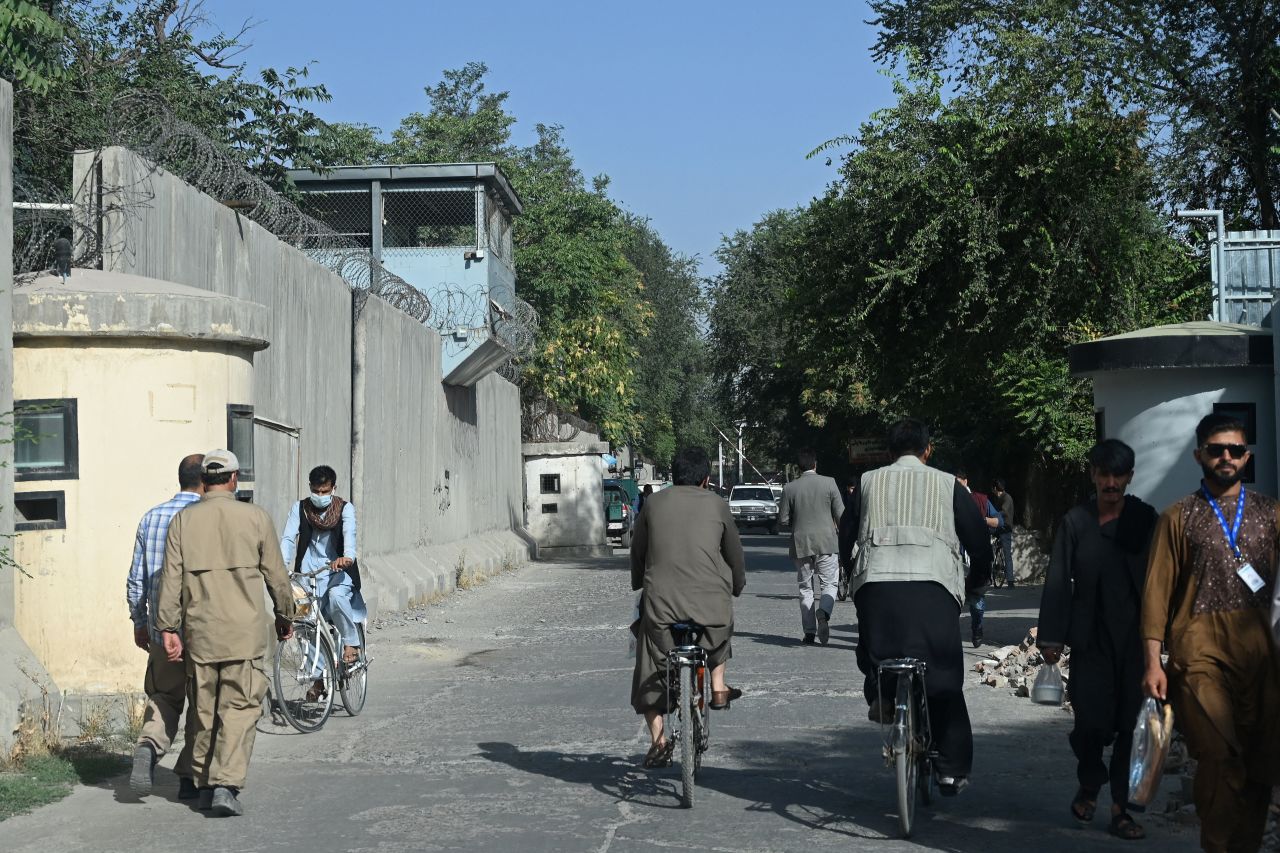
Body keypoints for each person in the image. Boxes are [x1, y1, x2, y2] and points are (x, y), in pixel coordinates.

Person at [1142, 413, 1280, 853]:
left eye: (1235, 450)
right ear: (1199, 453)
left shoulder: (1272, 514)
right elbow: (1156, 594)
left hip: (1262, 657)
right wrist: (1152, 662)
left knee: (1261, 766)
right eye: (1216, 449)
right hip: (1198, 655)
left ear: (1247, 457)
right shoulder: (1176, 517)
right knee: (1220, 756)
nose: (1226, 457)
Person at [842, 418, 991, 794]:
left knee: (875, 646)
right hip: (935, 585)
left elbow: (847, 535)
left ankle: (881, 694)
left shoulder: (867, 483)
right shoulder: (946, 484)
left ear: (889, 452)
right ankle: (950, 769)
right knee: (942, 673)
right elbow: (977, 539)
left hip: (875, 583)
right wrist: (976, 583)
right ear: (928, 450)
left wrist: (853, 577)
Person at [156, 449, 295, 817]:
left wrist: (168, 627)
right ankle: (224, 785)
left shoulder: (183, 522)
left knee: (203, 710)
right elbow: (277, 577)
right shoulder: (255, 517)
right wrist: (285, 615)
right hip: (244, 634)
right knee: (239, 708)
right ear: (233, 479)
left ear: (204, 481)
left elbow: (170, 581)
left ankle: (202, 784)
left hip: (200, 633)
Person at [1038, 439, 1157, 841]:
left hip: (1135, 640)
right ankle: (1090, 780)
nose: (1111, 482)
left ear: (1129, 477)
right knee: (1089, 722)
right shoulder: (1076, 522)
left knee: (1129, 724)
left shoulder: (1144, 518)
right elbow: (1057, 581)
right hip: (1089, 638)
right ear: (1092, 475)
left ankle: (1121, 810)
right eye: (1104, 474)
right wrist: (1051, 637)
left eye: (1118, 475)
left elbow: (1160, 580)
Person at [630, 447, 746, 769]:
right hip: (712, 606)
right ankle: (719, 686)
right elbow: (734, 554)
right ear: (706, 479)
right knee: (720, 631)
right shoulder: (718, 504)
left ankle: (658, 741)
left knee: (648, 655)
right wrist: (736, 585)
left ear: (674, 474)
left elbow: (638, 551)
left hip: (662, 605)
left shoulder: (652, 504)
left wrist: (639, 582)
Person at [126, 453, 205, 799]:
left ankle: (147, 748)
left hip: (161, 631)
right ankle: (188, 777)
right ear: (205, 482)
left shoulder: (151, 517)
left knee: (164, 698)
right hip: (204, 632)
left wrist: (140, 622)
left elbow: (135, 580)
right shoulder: (207, 519)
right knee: (203, 704)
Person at [281, 464, 365, 699]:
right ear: (310, 488)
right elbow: (288, 538)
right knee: (305, 626)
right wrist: (281, 565)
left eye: (324, 491)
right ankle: (318, 681)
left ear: (333, 488)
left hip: (337, 572)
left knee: (338, 598)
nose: (319, 496)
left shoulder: (344, 509)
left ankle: (351, 643)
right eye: (316, 491)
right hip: (307, 575)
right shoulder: (300, 509)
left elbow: (350, 534)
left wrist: (347, 557)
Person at [779, 449, 844, 645]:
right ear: (815, 464)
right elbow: (841, 515)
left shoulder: (790, 488)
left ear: (799, 467)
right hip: (827, 542)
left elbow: (783, 519)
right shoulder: (829, 483)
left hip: (801, 544)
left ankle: (809, 633)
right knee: (830, 584)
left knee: (805, 588)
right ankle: (823, 611)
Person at [956, 470, 1000, 648]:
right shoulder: (945, 501)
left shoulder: (980, 500)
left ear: (966, 481)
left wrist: (981, 520)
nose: (957, 487)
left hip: (976, 558)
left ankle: (977, 628)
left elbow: (999, 522)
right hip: (954, 559)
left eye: (959, 482)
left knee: (976, 600)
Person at [991, 479, 1016, 586]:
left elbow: (1004, 511)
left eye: (993, 488)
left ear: (995, 488)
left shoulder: (1007, 498)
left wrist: (993, 515)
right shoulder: (999, 498)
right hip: (999, 527)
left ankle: (1010, 580)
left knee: (1007, 554)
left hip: (1005, 528)